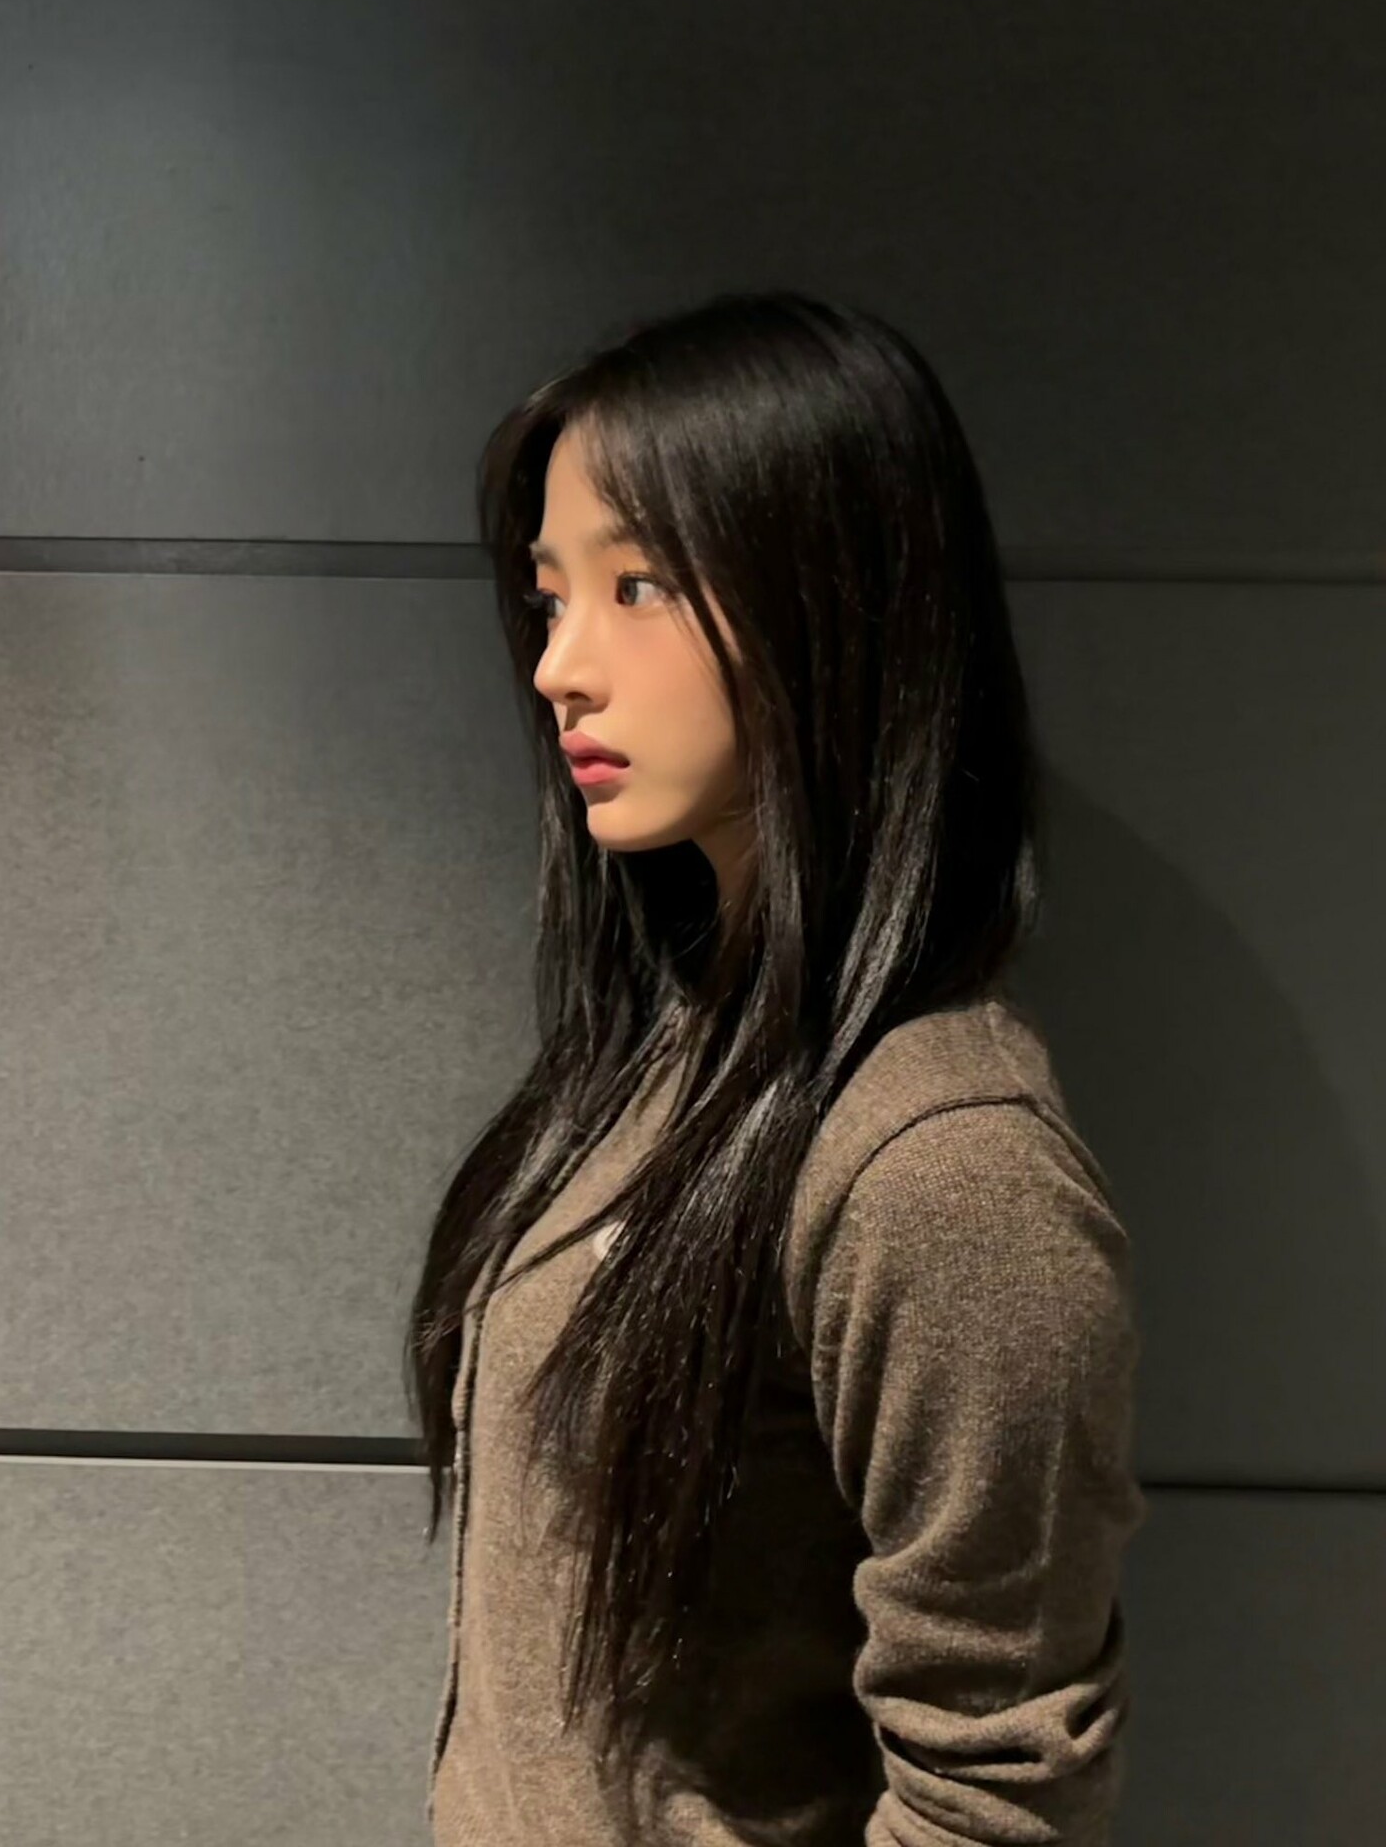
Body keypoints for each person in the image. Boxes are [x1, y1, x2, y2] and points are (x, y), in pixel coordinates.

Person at [405, 289, 1147, 1845]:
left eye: (638, 585)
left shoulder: (944, 1162)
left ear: (832, 600)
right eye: (550, 597)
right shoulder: (672, 1046)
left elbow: (994, 1795)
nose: (559, 667)